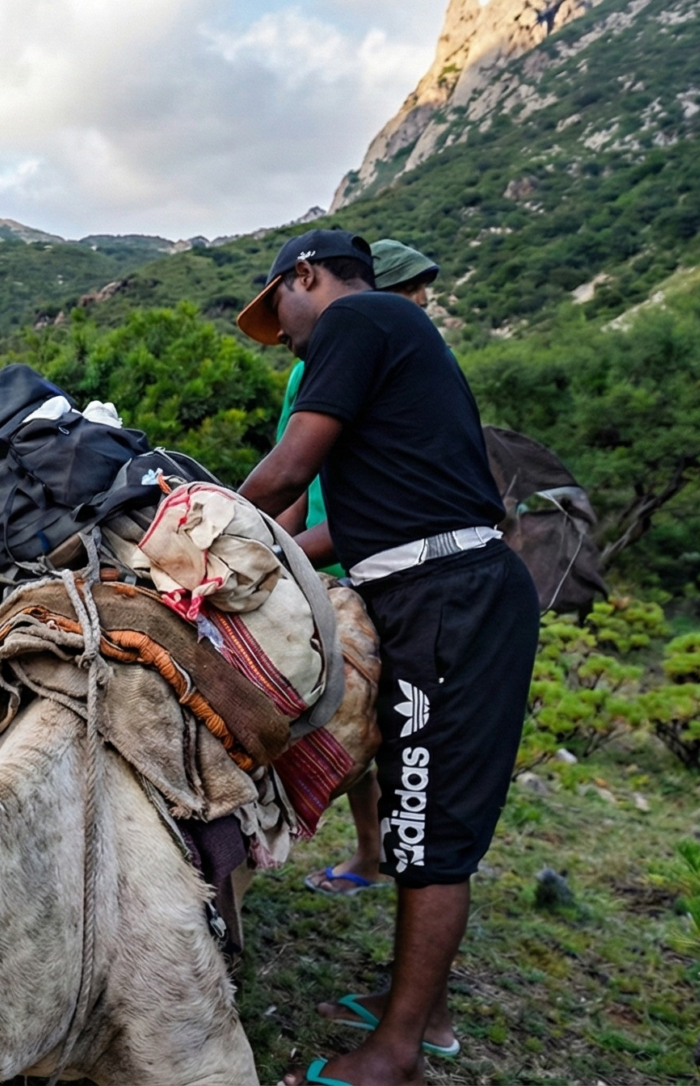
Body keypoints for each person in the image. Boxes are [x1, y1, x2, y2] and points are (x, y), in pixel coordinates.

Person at [234, 229, 538, 1086]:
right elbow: (346, 527)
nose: (286, 337)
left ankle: (396, 1054)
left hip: (449, 601)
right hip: (430, 588)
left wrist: (194, 522)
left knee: (428, 827)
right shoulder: (390, 341)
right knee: (414, 803)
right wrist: (271, 557)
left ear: (305, 277)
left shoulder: (357, 319)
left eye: (280, 315)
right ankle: (423, 1009)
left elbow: (291, 470)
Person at [290, 238, 438, 899]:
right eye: (409, 294)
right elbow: (293, 473)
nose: (419, 307)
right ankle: (374, 850)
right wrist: (271, 554)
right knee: (355, 711)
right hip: (341, 565)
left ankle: (385, 853)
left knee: (379, 716)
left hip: (385, 559)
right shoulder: (328, 356)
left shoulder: (404, 357)